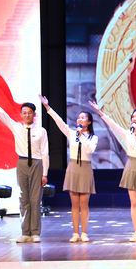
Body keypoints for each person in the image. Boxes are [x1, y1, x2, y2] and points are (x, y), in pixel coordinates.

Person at [0, 85, 49, 243]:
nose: (27, 115)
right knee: (23, 199)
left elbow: (45, 153)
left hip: (37, 164)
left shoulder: (41, 131)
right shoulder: (16, 127)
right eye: (24, 113)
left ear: (34, 114)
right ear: (21, 114)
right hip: (22, 163)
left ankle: (35, 233)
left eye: (30, 112)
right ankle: (25, 232)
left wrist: (45, 173)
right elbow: (1, 113)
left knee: (35, 199)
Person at [89, 101, 136, 242]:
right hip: (131, 165)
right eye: (133, 116)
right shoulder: (127, 133)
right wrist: (100, 113)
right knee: (134, 202)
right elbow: (113, 124)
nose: (134, 119)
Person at [39, 94, 99, 242]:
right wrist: (47, 107)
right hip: (73, 168)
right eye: (79, 118)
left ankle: (84, 233)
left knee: (84, 204)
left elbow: (89, 150)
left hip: (85, 169)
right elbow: (60, 122)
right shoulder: (72, 133)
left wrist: (81, 135)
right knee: (74, 204)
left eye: (83, 118)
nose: (80, 120)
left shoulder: (93, 137)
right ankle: (75, 233)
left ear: (89, 122)